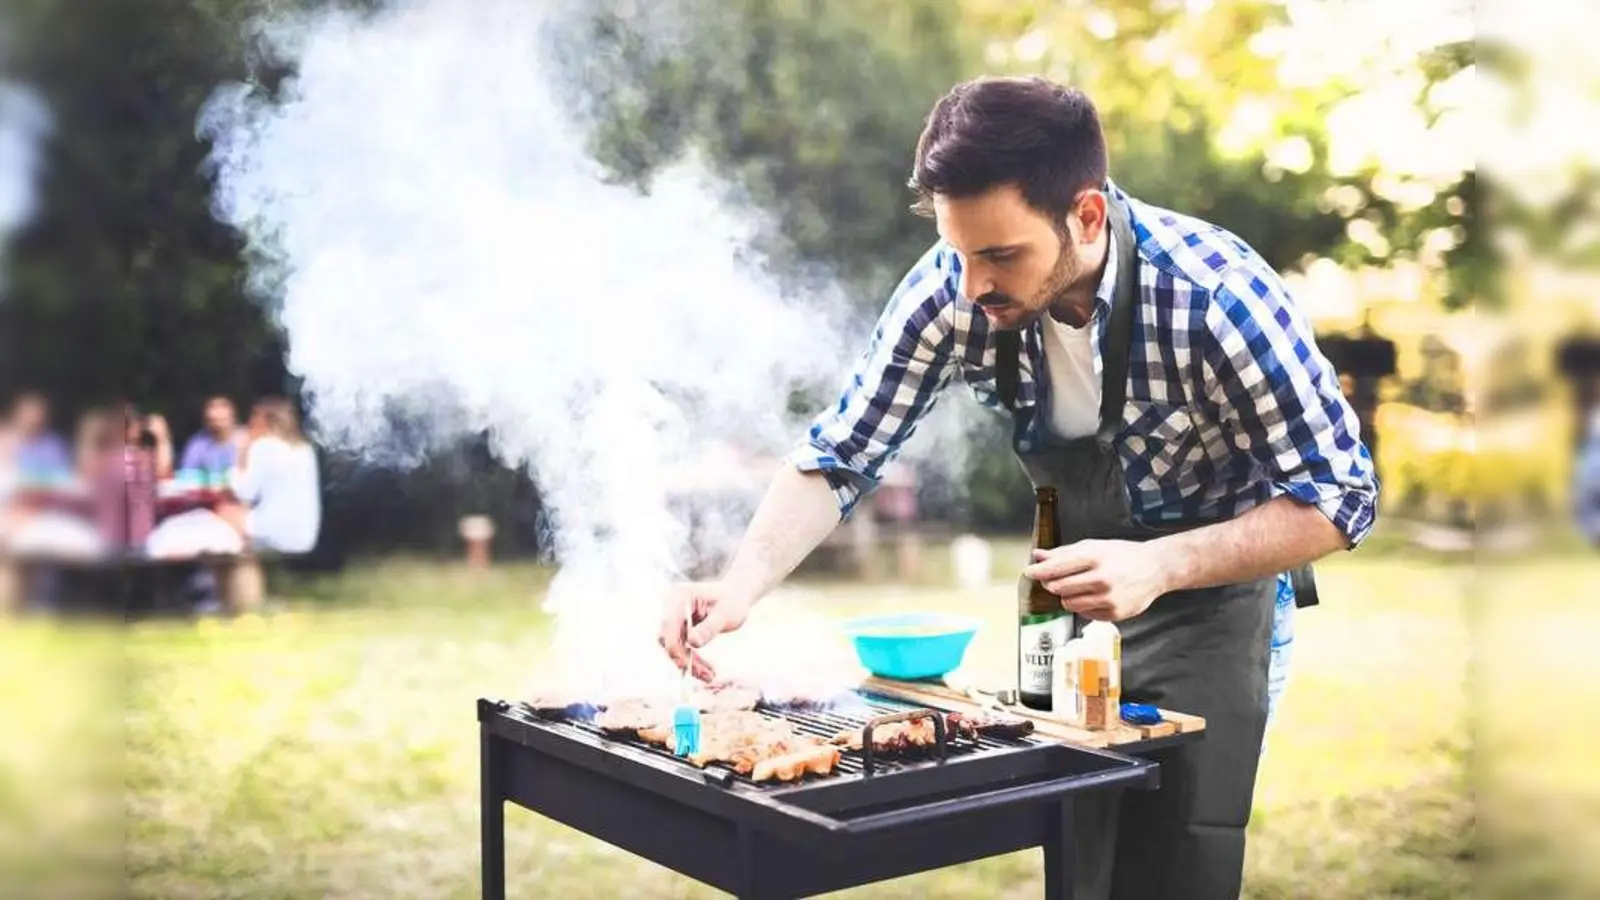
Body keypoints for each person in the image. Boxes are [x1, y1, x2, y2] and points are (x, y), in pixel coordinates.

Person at [657, 76, 1378, 900]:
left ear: (1087, 216)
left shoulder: (1218, 297)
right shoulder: (954, 287)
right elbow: (841, 451)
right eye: (959, 251)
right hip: (1068, 613)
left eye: (1000, 254)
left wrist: (1160, 567)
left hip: (1215, 608)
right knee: (1082, 860)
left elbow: (1341, 494)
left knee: (1174, 862)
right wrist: (740, 583)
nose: (971, 284)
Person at [214, 397, 320, 554]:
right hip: (306, 535)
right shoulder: (305, 449)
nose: (249, 424)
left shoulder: (263, 447)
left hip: (274, 532)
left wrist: (240, 455)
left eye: (253, 418)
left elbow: (244, 493)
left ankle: (232, 573)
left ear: (265, 422)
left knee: (222, 511)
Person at [177, 395, 247, 476]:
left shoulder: (247, 440)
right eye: (213, 420)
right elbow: (186, 473)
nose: (218, 425)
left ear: (233, 418)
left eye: (222, 420)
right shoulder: (198, 443)